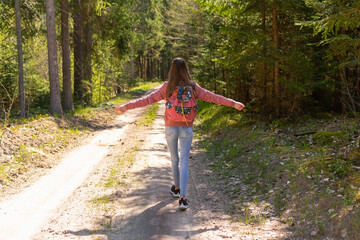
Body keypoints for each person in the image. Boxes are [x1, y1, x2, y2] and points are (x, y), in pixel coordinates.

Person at [115, 57, 245, 210]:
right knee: (184, 161)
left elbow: (147, 100)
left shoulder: (167, 87)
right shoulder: (193, 87)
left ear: (171, 70)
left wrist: (126, 107)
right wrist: (233, 103)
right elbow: (213, 97)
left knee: (174, 159)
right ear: (186, 70)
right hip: (186, 128)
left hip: (170, 128)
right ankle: (183, 198)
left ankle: (176, 189)